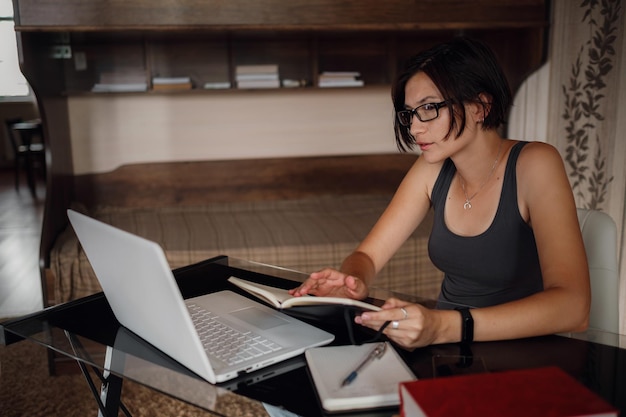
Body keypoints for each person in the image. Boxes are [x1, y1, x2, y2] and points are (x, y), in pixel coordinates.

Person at [290, 36, 590, 350]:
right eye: (409, 114)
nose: (415, 129)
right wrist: (353, 281)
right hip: (448, 350)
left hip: (523, 352)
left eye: (429, 108)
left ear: (480, 107)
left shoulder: (535, 164)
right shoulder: (432, 168)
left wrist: (444, 326)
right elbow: (367, 256)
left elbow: (574, 307)